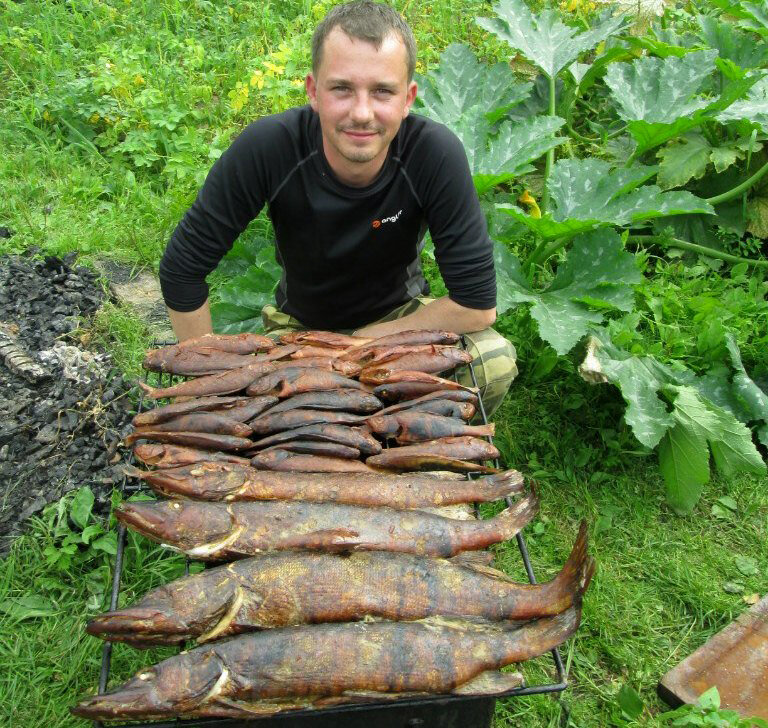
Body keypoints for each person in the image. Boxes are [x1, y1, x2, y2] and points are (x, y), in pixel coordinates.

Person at [159, 0, 517, 416]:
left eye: (382, 91)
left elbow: (476, 304)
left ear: (407, 98)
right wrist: (208, 386)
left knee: (492, 359)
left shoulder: (433, 154)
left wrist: (365, 343)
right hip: (301, 329)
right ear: (314, 91)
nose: (362, 113)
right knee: (274, 416)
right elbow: (182, 268)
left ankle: (412, 448)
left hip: (400, 319)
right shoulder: (269, 147)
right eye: (341, 88)